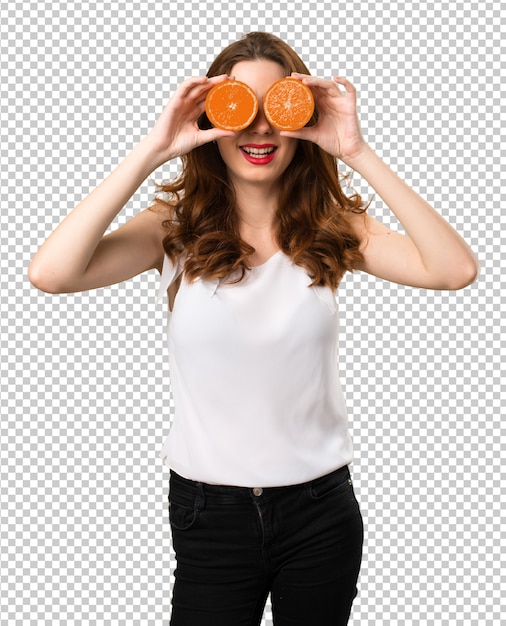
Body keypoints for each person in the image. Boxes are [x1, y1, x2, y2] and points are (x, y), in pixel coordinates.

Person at [28, 31, 479, 626]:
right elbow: (50, 275)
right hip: (208, 512)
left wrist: (357, 150)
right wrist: (152, 149)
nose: (260, 129)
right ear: (212, 116)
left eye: (279, 108)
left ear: (304, 116)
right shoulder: (173, 228)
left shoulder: (334, 227)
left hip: (321, 509)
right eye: (240, 107)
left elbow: (455, 271)